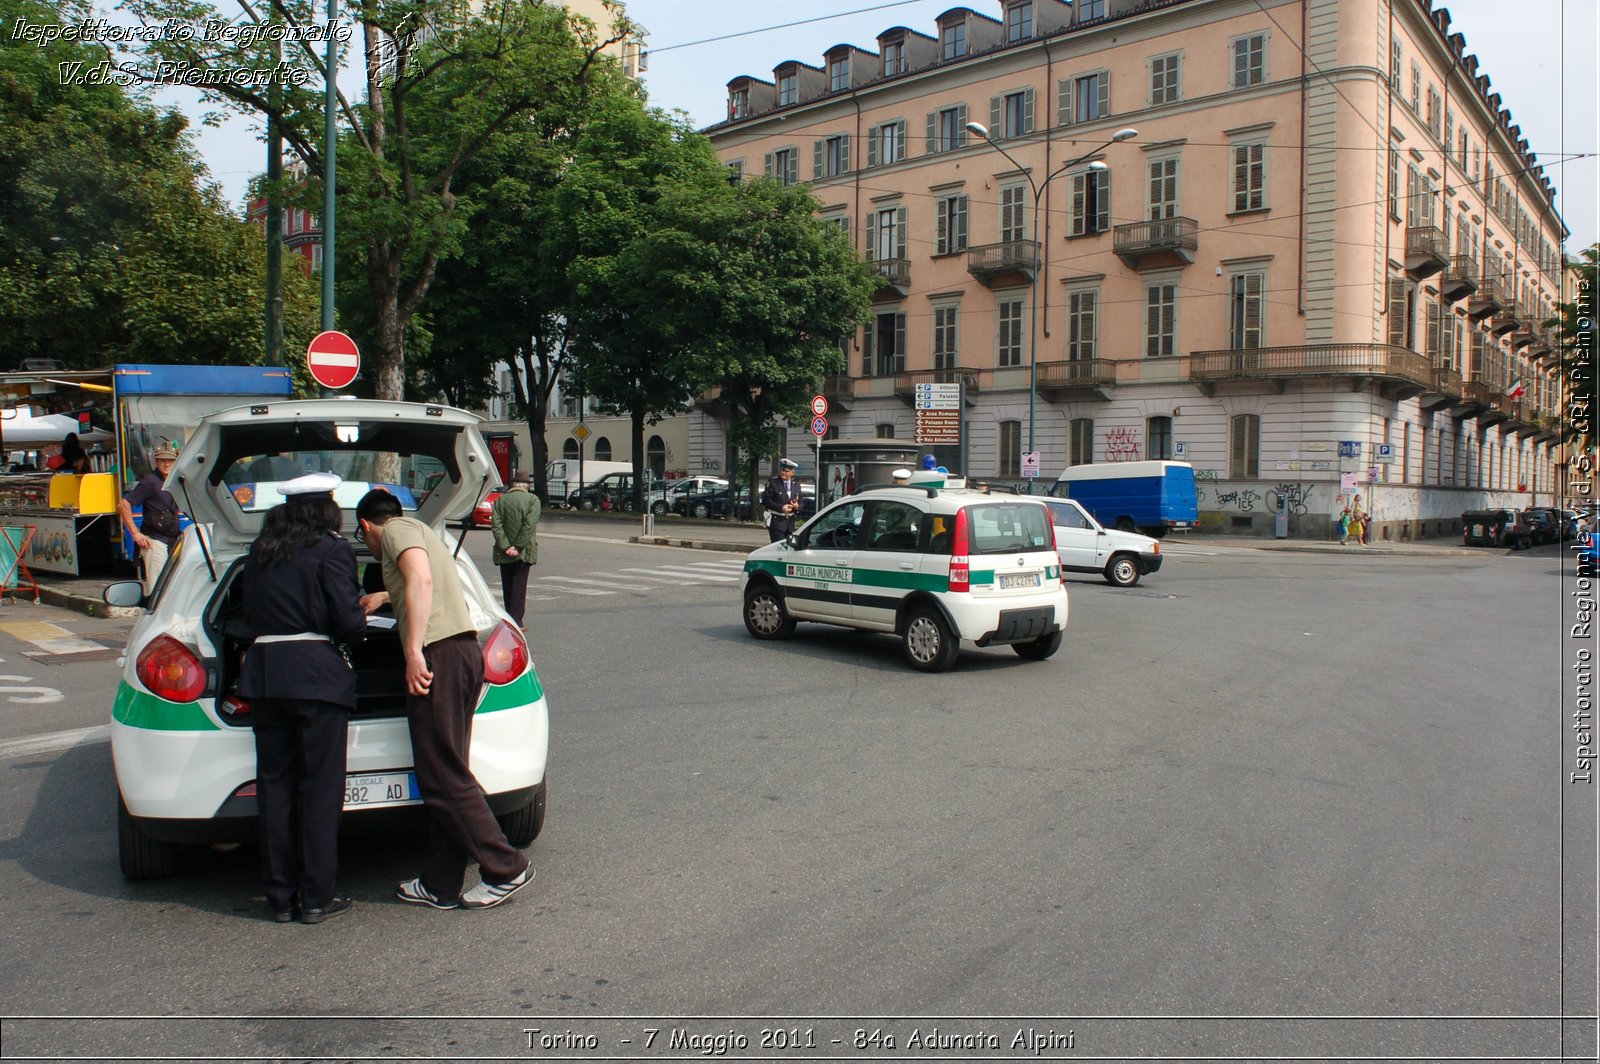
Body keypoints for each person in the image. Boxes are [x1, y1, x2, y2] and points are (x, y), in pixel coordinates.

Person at [354, 489, 534, 911]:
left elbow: (420, 579)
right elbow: (421, 580)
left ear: (366, 526)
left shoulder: (395, 531)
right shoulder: (423, 531)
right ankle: (440, 882)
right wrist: (384, 596)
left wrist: (413, 650)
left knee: (441, 774)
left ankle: (506, 867)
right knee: (447, 770)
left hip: (439, 657)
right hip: (464, 653)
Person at [238, 472, 367, 925]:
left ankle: (278, 898)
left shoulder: (259, 551)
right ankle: (316, 896)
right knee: (320, 788)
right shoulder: (332, 549)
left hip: (266, 675)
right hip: (316, 677)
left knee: (274, 787)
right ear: (325, 508)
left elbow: (247, 614)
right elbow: (348, 620)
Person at [117, 446, 181, 596]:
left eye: (171, 460)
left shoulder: (175, 482)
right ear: (156, 462)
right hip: (154, 541)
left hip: (172, 541)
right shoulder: (150, 482)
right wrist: (135, 533)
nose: (167, 464)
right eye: (162, 460)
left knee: (172, 588)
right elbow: (123, 504)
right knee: (159, 589)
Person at [490, 472, 540, 627]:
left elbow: (496, 526)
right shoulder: (533, 500)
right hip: (524, 551)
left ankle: (508, 617)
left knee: (507, 585)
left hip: (503, 551)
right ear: (527, 486)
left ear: (513, 485)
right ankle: (517, 621)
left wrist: (506, 546)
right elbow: (529, 526)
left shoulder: (500, 500)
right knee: (519, 586)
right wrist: (518, 546)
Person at [761, 458, 804, 543]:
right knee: (779, 549)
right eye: (782, 470)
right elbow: (766, 501)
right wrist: (781, 508)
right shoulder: (773, 483)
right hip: (777, 522)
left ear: (792, 472)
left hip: (790, 523)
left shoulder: (796, 485)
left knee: (789, 549)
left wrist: (797, 506)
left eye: (786, 471)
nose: (783, 472)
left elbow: (801, 503)